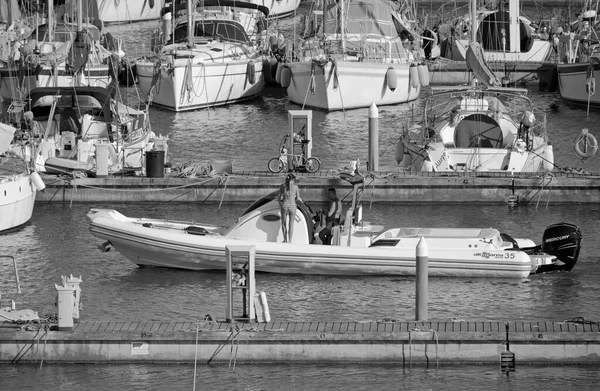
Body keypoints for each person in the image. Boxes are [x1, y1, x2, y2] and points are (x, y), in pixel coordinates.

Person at [278, 173, 302, 243]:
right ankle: (290, 241)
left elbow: (278, 198)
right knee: (291, 224)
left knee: (283, 224)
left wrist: (280, 205)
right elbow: (298, 198)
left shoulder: (282, 186)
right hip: (292, 205)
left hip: (284, 205)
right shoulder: (295, 186)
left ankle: (285, 240)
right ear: (293, 179)